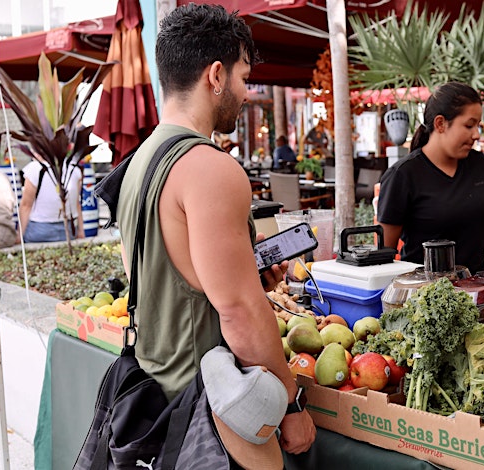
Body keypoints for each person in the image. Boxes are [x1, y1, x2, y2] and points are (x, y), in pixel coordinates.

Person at [115, 3, 314, 464]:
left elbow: (146, 273)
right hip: (215, 415)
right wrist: (289, 403)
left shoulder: (136, 164)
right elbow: (239, 311)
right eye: (245, 78)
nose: (247, 93)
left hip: (155, 400)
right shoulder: (210, 168)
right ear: (217, 75)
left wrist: (243, 269)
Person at [377, 81, 484, 275]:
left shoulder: (478, 163)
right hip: (427, 297)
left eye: (478, 126)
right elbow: (384, 254)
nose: (476, 135)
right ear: (440, 124)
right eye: (469, 125)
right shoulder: (403, 175)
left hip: (479, 291)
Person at [18, 157, 84, 243]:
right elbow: (76, 204)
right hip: (68, 230)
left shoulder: (34, 169)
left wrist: (19, 236)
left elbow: (26, 205)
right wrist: (81, 231)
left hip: (38, 231)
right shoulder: (73, 169)